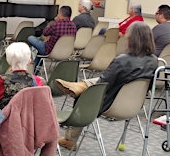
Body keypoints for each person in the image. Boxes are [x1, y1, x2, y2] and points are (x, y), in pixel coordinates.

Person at [54, 21, 158, 150]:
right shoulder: (154, 61)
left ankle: (70, 140)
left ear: (132, 39)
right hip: (134, 105)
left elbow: (102, 84)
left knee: (85, 95)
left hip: (111, 104)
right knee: (94, 85)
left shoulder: (122, 60)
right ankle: (80, 85)